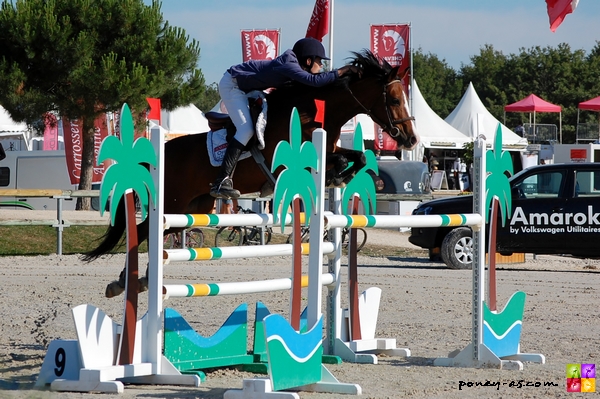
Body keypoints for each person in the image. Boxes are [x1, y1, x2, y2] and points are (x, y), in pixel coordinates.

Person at [210, 37, 359, 199]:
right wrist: (343, 70)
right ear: (308, 61)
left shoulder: (294, 66)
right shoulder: (289, 64)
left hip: (246, 87)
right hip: (232, 85)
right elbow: (314, 81)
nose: (322, 65)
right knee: (246, 129)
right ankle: (221, 180)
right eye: (319, 61)